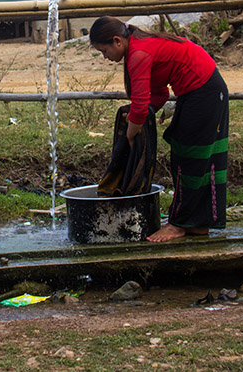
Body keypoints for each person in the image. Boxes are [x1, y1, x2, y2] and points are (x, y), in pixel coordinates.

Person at [89, 16, 228, 242]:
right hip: (202, 91)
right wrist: (136, 118)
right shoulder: (138, 45)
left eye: (104, 51)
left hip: (204, 92)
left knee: (190, 157)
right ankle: (197, 224)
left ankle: (178, 225)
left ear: (117, 41)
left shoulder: (138, 53)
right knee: (192, 155)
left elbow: (141, 106)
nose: (105, 58)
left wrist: (131, 133)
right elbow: (160, 95)